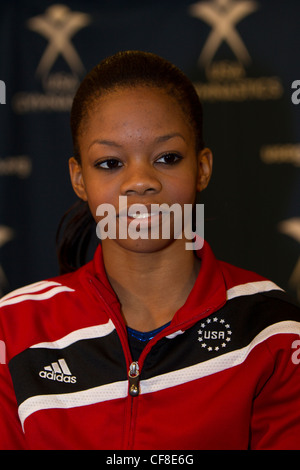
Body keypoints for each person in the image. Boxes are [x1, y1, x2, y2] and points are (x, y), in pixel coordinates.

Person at [0, 50, 300, 450]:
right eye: (109, 163)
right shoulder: (14, 330)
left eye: (167, 158)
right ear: (79, 178)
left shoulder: (273, 330)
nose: (139, 181)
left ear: (203, 168)